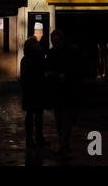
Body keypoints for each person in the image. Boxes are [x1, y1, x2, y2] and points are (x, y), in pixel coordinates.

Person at [45, 30, 80, 159]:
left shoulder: (69, 52)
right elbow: (47, 69)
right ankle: (63, 143)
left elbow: (75, 71)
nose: (55, 41)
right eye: (53, 38)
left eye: (57, 38)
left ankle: (63, 145)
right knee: (60, 120)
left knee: (65, 120)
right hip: (56, 91)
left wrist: (64, 77)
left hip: (67, 90)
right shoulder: (51, 52)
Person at [20, 35, 49, 148]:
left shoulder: (25, 59)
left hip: (30, 91)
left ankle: (31, 139)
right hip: (36, 90)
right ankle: (37, 138)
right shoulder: (36, 58)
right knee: (37, 115)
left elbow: (24, 78)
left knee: (31, 115)